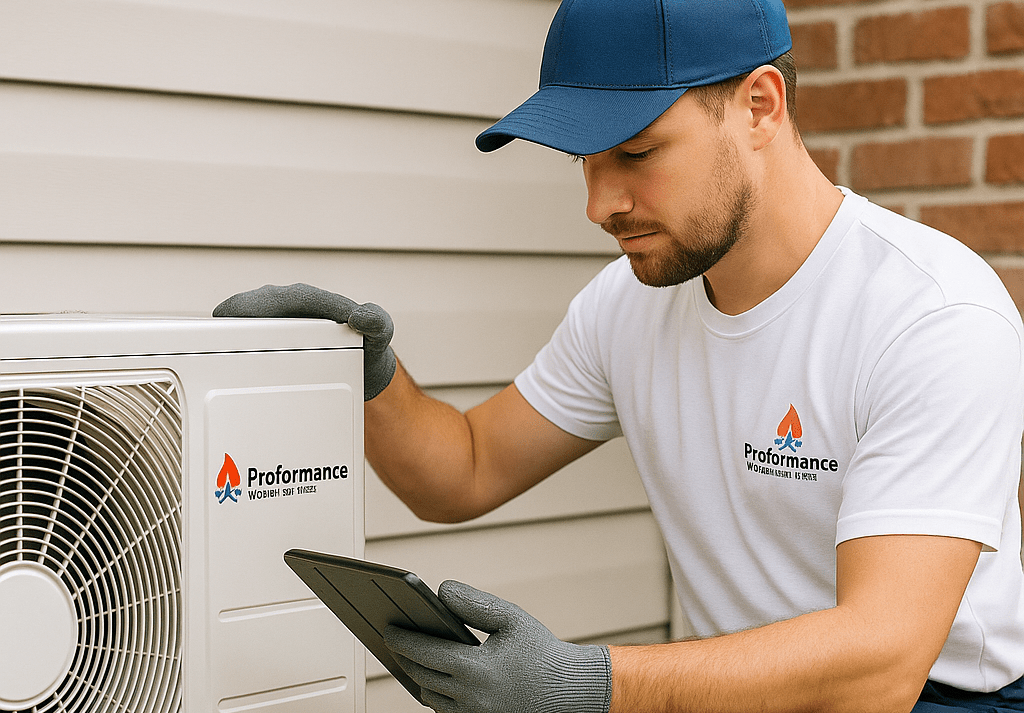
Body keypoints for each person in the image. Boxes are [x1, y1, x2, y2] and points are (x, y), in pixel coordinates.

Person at [214, 0, 1024, 711]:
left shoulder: (932, 315)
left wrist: (588, 686)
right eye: (584, 160)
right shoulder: (625, 304)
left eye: (635, 153)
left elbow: (880, 667)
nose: (600, 204)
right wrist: (369, 375)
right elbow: (462, 469)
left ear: (760, 106)